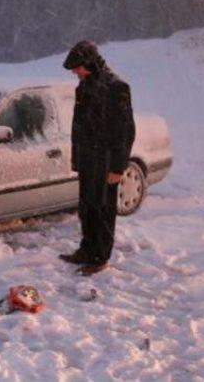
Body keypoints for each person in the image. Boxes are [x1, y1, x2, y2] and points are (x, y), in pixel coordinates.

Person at [59, 40, 135, 276]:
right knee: (87, 208)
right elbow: (79, 127)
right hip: (88, 159)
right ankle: (87, 249)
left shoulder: (116, 87)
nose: (74, 72)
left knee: (103, 210)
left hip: (106, 160)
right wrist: (77, 159)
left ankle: (100, 257)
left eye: (77, 67)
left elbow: (125, 131)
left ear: (88, 63)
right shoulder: (83, 87)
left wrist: (118, 167)